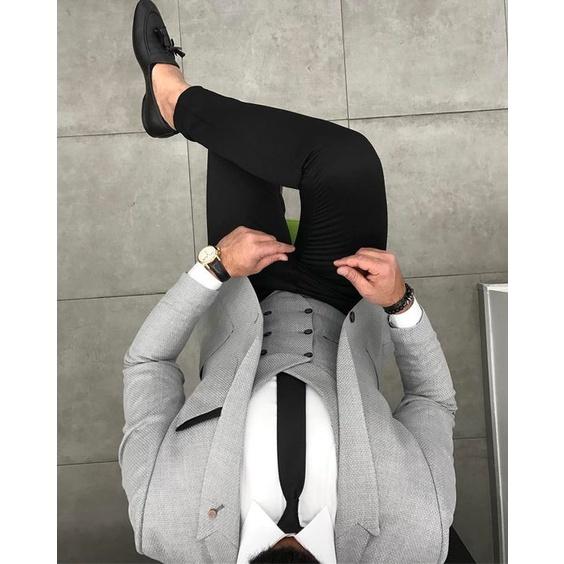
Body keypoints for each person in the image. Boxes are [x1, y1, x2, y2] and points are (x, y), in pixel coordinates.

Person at [120, 2, 467, 562]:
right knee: (347, 161)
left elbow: (147, 366)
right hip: (343, 297)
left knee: (238, 154)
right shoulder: (415, 531)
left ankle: (177, 105)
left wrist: (213, 268)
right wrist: (401, 305)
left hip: (244, 292)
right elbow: (432, 400)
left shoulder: (163, 522)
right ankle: (172, 100)